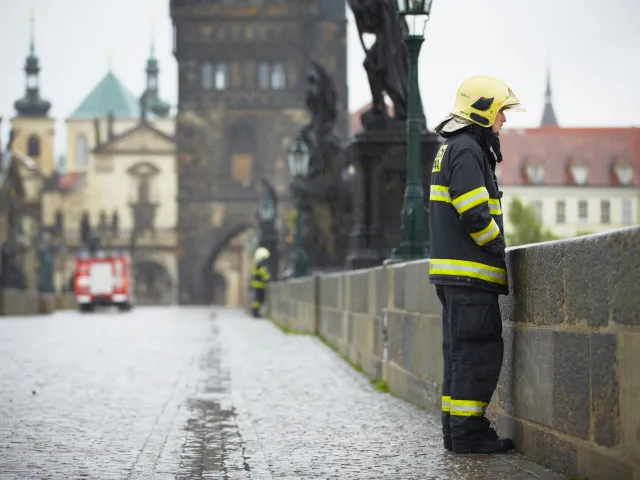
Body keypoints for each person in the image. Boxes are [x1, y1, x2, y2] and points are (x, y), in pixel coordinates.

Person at [429, 75, 525, 454]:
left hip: (454, 276)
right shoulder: (468, 149)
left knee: (458, 354)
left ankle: (455, 433)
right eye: (501, 111)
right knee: (477, 353)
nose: (504, 120)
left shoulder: (451, 147)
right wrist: (498, 248)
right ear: (482, 111)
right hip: (470, 276)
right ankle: (469, 435)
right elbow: (474, 213)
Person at [250, 247, 271, 318]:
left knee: (257, 299)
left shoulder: (256, 262)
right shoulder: (260, 263)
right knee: (259, 299)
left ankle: (255, 312)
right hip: (260, 284)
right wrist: (268, 278)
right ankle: (255, 312)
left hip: (256, 284)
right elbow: (263, 272)